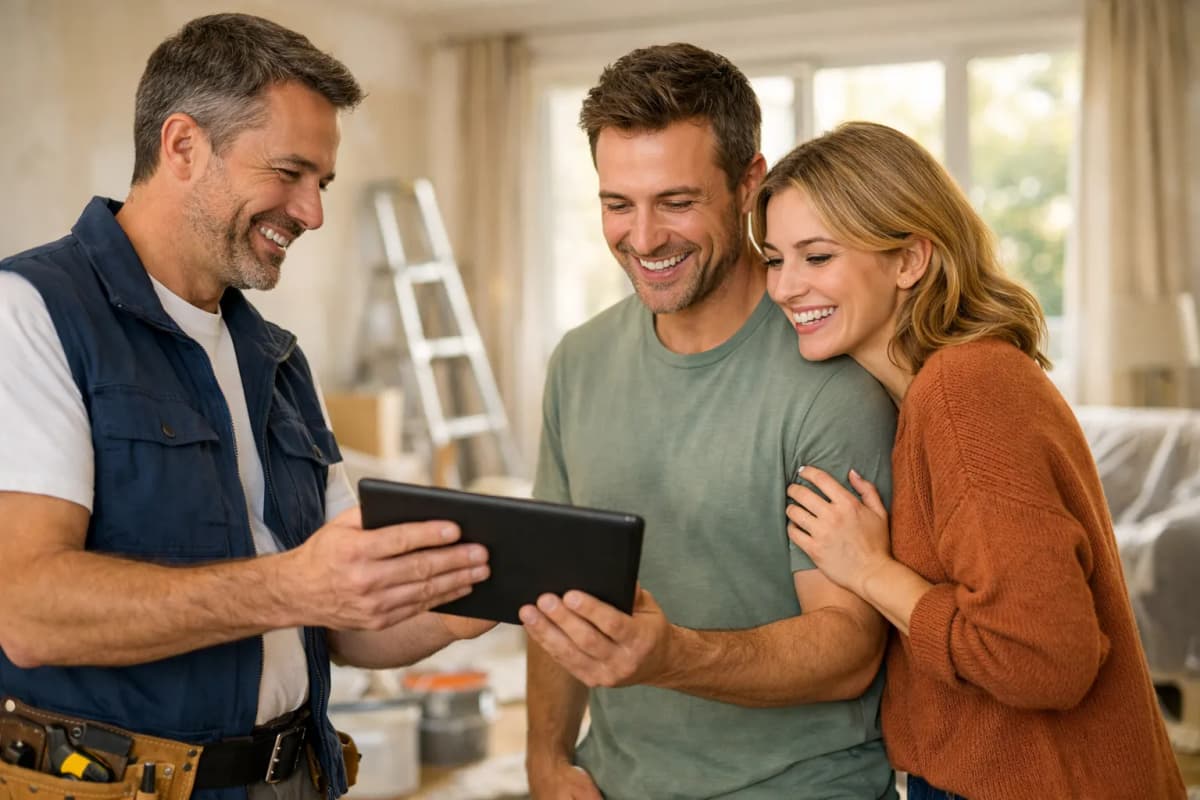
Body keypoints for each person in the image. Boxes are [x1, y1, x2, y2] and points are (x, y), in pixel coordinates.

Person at [0, 13, 495, 799]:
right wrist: (295, 583)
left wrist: (494, 594)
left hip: (297, 778)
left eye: (321, 185)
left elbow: (344, 624)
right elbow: (26, 610)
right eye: (290, 173)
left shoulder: (275, 357)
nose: (313, 213)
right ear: (184, 146)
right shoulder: (31, 314)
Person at [754, 121, 1187, 800]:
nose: (783, 287)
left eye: (816, 256)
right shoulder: (923, 398)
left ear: (909, 260)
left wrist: (871, 571)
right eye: (775, 259)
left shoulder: (966, 391)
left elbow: (1045, 660)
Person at [518, 44, 900, 799]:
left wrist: (669, 657)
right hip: (616, 780)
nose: (645, 237)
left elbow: (850, 647)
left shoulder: (831, 376)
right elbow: (555, 596)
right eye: (617, 204)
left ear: (749, 184)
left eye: (678, 202)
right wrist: (546, 761)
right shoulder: (579, 362)